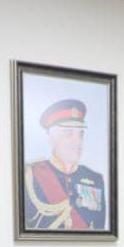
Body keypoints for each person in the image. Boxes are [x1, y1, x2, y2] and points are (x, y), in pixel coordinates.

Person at [22, 99, 106, 230]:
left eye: (81, 134)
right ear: (51, 139)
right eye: (69, 134)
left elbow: (99, 230)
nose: (78, 141)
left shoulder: (95, 179)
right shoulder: (30, 174)